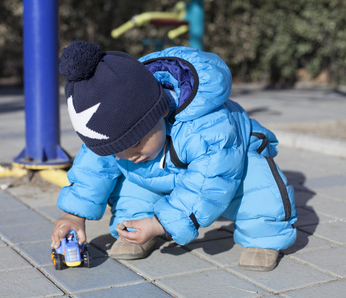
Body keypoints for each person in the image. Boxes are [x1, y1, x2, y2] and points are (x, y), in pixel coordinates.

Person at [51, 40, 297, 271]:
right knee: (132, 179)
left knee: (258, 183)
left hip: (229, 166)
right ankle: (137, 225)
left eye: (134, 142)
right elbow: (93, 164)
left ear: (161, 110)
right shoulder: (125, 143)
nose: (128, 154)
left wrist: (162, 223)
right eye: (116, 149)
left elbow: (208, 183)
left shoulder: (207, 127)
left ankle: (263, 235)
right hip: (167, 170)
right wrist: (74, 215)